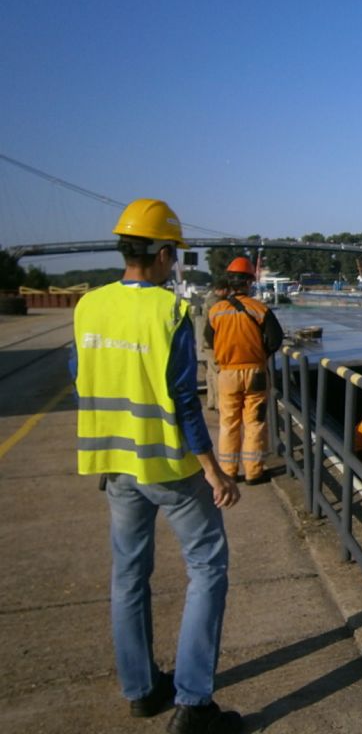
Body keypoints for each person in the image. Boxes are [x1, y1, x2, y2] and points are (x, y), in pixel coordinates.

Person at [71, 198, 243, 733]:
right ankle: (194, 704)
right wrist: (213, 470)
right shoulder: (169, 311)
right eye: (175, 255)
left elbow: (80, 376)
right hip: (169, 466)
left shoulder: (87, 306)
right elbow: (184, 400)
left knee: (128, 576)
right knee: (207, 568)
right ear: (164, 254)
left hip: (115, 464)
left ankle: (142, 691)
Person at [205, 256, 283, 485]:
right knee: (255, 422)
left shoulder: (216, 310)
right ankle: (254, 472)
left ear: (229, 282)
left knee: (228, 423)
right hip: (255, 372)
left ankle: (229, 471)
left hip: (227, 373)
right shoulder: (259, 308)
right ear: (249, 282)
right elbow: (276, 339)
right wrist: (261, 354)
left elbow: (209, 339)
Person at [197, 280, 229, 410]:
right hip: (213, 342)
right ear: (223, 290)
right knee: (217, 372)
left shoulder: (208, 300)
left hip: (205, 341)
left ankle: (211, 400)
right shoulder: (218, 303)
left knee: (210, 372)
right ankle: (219, 403)